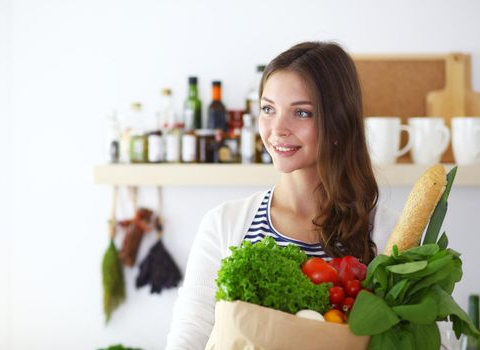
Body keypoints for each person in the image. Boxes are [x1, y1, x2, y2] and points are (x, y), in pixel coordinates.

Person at [165, 41, 398, 349]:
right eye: (268, 109)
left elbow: (428, 336)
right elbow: (190, 334)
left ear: (339, 123)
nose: (277, 129)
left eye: (302, 112)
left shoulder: (387, 233)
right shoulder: (225, 224)